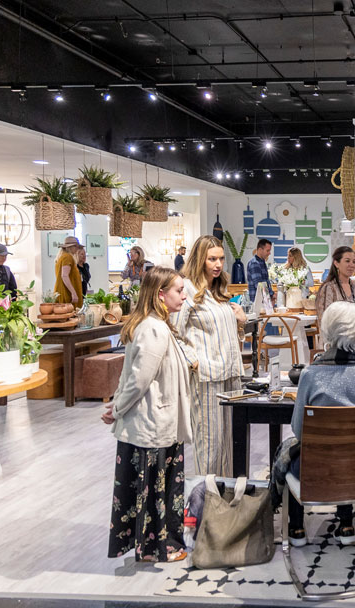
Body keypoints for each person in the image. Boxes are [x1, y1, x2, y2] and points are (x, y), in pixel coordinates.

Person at [102, 266, 195, 563]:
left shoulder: (154, 325)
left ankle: (151, 546)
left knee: (155, 487)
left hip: (154, 422)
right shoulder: (153, 328)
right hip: (152, 424)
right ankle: (158, 547)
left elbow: (132, 375)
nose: (184, 295)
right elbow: (139, 380)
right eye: (178, 291)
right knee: (157, 488)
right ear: (160, 295)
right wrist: (117, 408)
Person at [283, 301, 355, 547]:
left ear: (326, 330)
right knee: (350, 445)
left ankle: (297, 528)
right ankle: (346, 524)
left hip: (316, 472)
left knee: (297, 450)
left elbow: (298, 430)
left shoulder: (311, 375)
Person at [173, 235, 248, 476]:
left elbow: (227, 332)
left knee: (231, 442)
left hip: (231, 373)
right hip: (207, 377)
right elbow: (173, 331)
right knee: (210, 444)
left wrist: (241, 322)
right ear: (199, 259)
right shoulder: (186, 288)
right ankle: (206, 503)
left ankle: (227, 501)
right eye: (212, 259)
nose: (218, 264)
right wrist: (192, 360)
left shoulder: (219, 289)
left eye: (221, 259)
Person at [315, 246, 355, 325]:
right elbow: (325, 321)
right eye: (347, 261)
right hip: (336, 336)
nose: (351, 265)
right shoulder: (329, 288)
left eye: (354, 262)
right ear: (336, 263)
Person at [54, 236, 84, 308]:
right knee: (69, 315)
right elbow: (64, 276)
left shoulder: (62, 257)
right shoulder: (68, 257)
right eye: (76, 247)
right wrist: (73, 293)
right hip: (66, 293)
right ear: (71, 247)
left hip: (63, 292)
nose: (77, 249)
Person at [247, 238, 274, 304]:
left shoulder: (262, 263)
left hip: (264, 302)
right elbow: (259, 285)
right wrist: (272, 294)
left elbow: (266, 283)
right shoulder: (254, 263)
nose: (269, 253)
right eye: (267, 251)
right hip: (257, 303)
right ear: (260, 250)